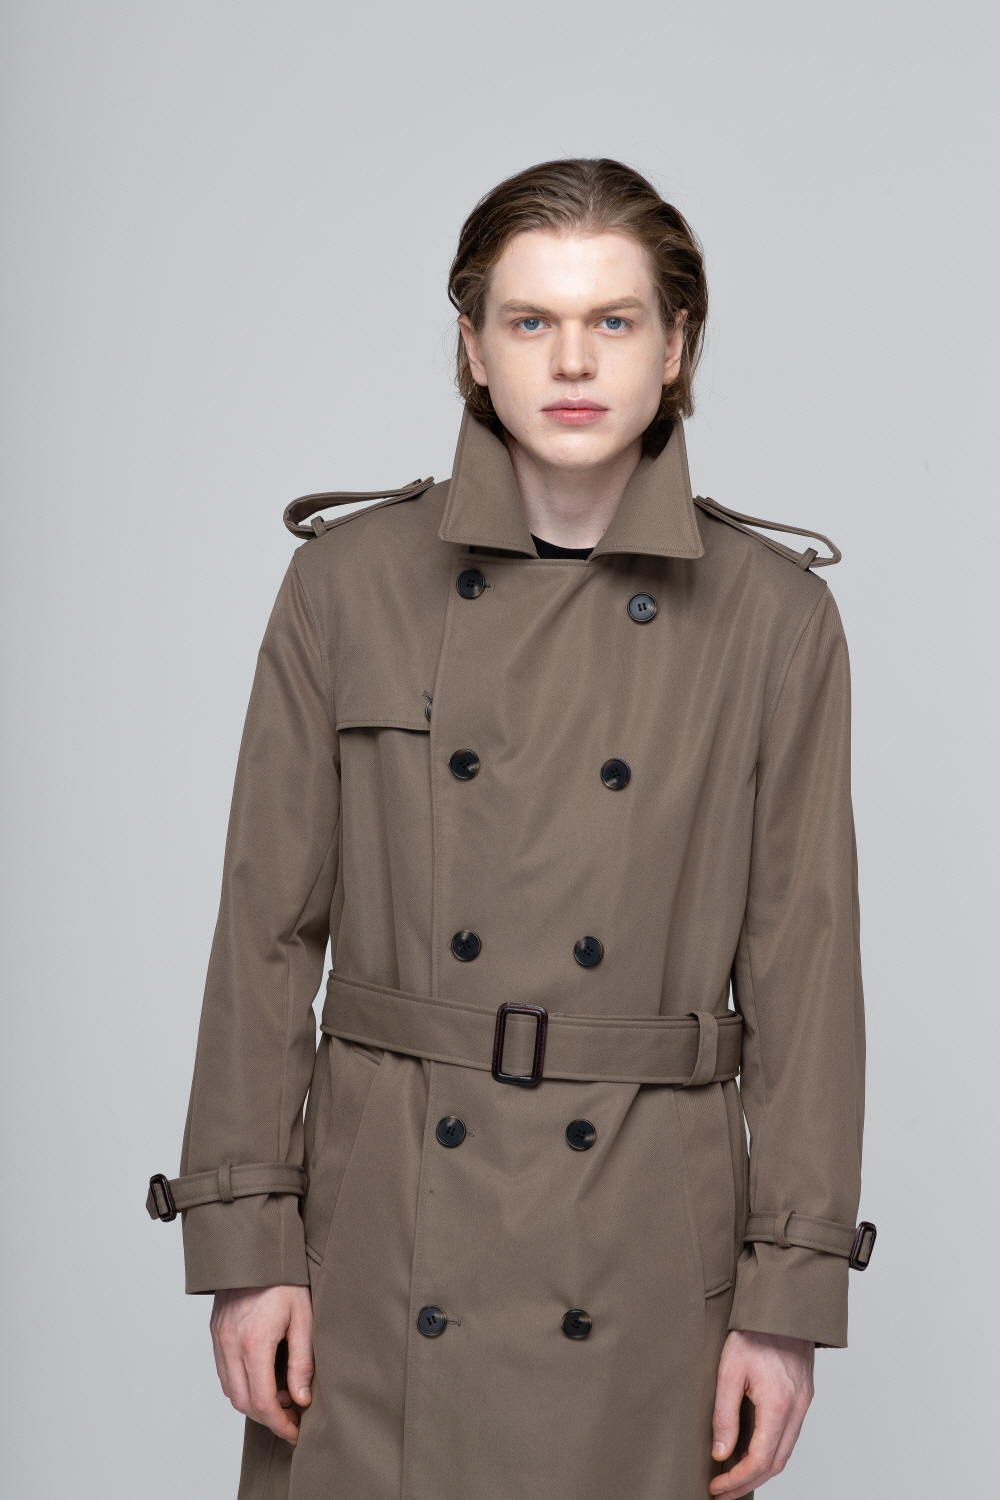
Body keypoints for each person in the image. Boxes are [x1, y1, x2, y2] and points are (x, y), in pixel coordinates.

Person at [147, 157, 875, 1500]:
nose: (573, 360)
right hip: (384, 1240)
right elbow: (264, 933)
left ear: (677, 346)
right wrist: (245, 1242)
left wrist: (789, 1298)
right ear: (475, 349)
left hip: (644, 1251)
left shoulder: (775, 619)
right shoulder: (346, 585)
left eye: (615, 320)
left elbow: (805, 972)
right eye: (531, 320)